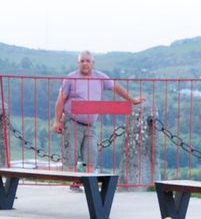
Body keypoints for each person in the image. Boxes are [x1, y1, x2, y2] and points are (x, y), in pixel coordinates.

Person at [51, 52, 143, 184]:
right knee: (71, 155)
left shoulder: (100, 77)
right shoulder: (70, 78)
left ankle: (89, 185)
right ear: (78, 63)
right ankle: (73, 184)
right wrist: (57, 121)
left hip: (90, 125)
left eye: (88, 61)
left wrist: (132, 100)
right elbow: (60, 100)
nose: (85, 63)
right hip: (72, 122)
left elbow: (116, 88)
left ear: (93, 63)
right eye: (82, 61)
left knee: (91, 155)